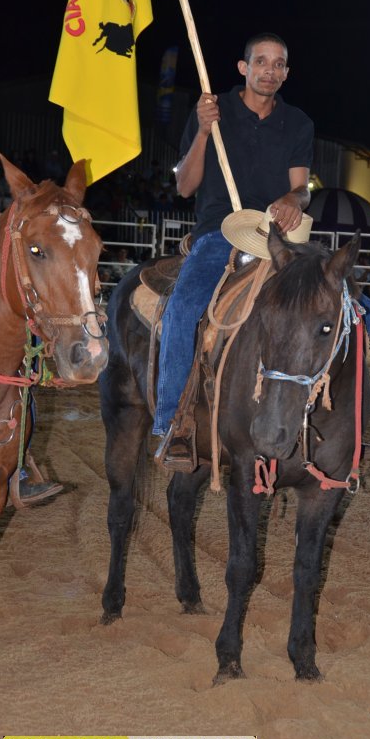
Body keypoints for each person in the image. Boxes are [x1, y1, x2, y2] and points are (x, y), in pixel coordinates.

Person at [153, 33, 314, 469]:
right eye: (261, 62)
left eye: (278, 64)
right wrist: (205, 131)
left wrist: (293, 200)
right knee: (183, 308)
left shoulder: (298, 123)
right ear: (244, 68)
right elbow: (185, 186)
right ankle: (173, 424)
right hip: (219, 231)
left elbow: (302, 189)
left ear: (286, 72)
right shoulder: (213, 109)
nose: (269, 71)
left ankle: (332, 416)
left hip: (275, 234)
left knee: (347, 303)